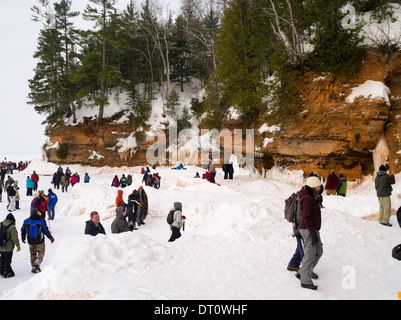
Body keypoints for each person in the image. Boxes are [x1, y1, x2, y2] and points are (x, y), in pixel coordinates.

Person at [296, 176, 323, 290]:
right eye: (317, 187)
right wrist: (312, 232)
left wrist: (316, 202)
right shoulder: (307, 198)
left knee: (318, 251)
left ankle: (302, 272)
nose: (319, 188)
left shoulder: (310, 197)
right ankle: (305, 280)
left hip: (311, 229)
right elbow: (306, 216)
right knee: (310, 254)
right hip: (308, 229)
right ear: (312, 187)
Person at [21, 208, 54, 273]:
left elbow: (23, 230)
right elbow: (45, 230)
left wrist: (23, 237)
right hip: (40, 241)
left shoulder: (26, 221)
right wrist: (50, 237)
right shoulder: (41, 221)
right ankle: (37, 263)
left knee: (32, 254)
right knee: (41, 253)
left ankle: (33, 267)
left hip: (30, 241)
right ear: (36, 213)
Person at [0, 213, 21, 278]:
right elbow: (14, 237)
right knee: (7, 260)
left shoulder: (1, 224)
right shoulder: (12, 227)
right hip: (8, 247)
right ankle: (7, 273)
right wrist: (18, 245)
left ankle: (1, 271)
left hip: (0, 246)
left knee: (2, 259)